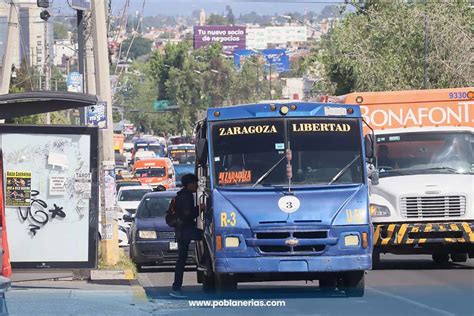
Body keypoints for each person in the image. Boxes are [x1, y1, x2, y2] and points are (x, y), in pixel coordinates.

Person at [170, 173, 201, 298]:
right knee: (206, 238)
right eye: (195, 183)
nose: (197, 186)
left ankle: (176, 286)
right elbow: (188, 214)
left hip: (182, 230)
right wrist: (200, 208)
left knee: (181, 260)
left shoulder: (181, 195)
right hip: (185, 231)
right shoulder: (187, 196)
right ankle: (176, 287)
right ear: (189, 184)